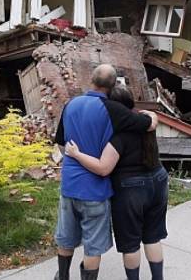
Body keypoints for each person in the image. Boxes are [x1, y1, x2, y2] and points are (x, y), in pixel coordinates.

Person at [53, 64, 158, 280]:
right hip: (94, 190)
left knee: (66, 237)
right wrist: (153, 116)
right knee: (92, 247)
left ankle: (62, 276)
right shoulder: (112, 109)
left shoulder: (70, 104)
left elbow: (62, 144)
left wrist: (74, 157)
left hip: (69, 184)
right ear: (112, 86)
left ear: (91, 80)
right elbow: (147, 124)